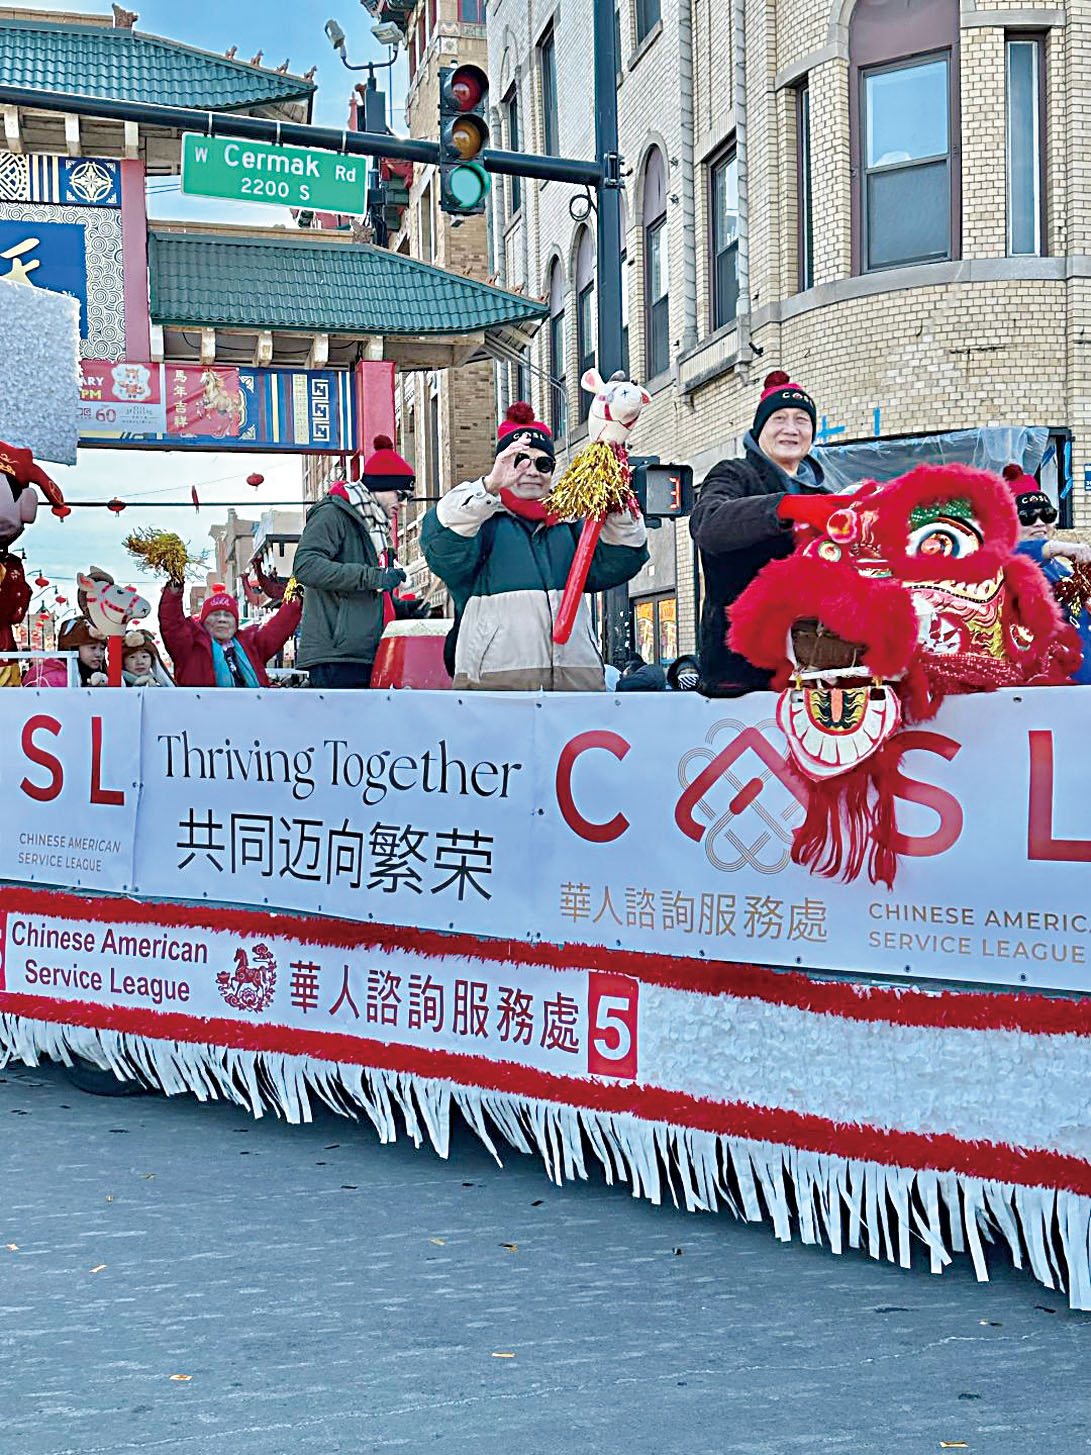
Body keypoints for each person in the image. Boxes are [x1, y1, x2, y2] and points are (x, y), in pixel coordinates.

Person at [421, 402, 649, 691]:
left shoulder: (570, 525)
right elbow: (439, 546)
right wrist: (489, 485)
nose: (531, 472)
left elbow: (622, 560)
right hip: (497, 693)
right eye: (520, 461)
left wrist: (617, 509)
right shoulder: (480, 525)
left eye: (543, 464)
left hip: (575, 689)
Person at [690, 369, 834, 696]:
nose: (791, 429)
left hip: (814, 670)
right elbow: (707, 525)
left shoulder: (824, 495)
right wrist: (783, 508)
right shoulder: (734, 474)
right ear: (760, 429)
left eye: (801, 420)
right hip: (740, 673)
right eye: (779, 419)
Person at [293, 436, 420, 689]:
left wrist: (401, 610)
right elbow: (306, 566)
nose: (404, 504)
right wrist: (375, 577)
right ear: (379, 488)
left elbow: (363, 595)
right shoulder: (333, 513)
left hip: (368, 652)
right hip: (337, 657)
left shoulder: (376, 526)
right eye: (401, 494)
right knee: (339, 729)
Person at [1005, 462, 1091, 683]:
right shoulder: (1001, 562)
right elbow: (1009, 557)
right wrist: (1058, 547)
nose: (1040, 523)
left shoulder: (1060, 567)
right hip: (1045, 682)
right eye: (1027, 516)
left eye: (1047, 515)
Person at [158, 582, 301, 688]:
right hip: (204, 719)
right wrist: (173, 592)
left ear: (235, 623)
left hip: (251, 717)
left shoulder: (251, 644)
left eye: (227, 615)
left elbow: (279, 627)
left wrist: (294, 597)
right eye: (215, 615)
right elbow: (172, 625)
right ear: (203, 622)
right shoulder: (190, 647)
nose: (222, 619)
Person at [23, 617, 107, 687]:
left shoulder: (96, 675)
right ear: (74, 647)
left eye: (102, 649)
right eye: (92, 648)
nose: (99, 654)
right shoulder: (55, 679)